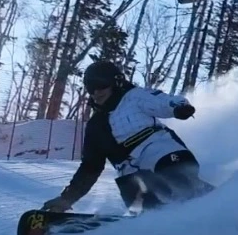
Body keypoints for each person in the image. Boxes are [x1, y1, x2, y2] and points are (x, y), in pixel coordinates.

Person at [41, 59, 213, 214]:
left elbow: (162, 101)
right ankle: (156, 223)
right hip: (130, 169)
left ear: (116, 82)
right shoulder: (96, 126)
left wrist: (179, 108)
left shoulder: (134, 97)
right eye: (90, 88)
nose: (95, 92)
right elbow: (90, 167)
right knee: (134, 195)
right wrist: (67, 199)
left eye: (100, 85)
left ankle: (215, 204)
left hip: (161, 150)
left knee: (175, 177)